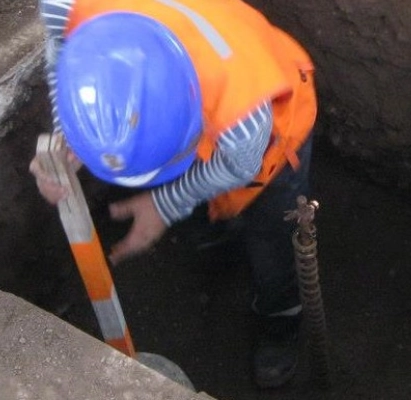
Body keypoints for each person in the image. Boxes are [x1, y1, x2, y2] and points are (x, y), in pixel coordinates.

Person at [29, 0, 317, 389]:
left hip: (277, 136)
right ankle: (220, 237)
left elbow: (240, 166)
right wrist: (75, 132)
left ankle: (280, 317)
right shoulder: (68, 5)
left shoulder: (243, 114)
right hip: (194, 124)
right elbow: (61, 49)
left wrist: (164, 203)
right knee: (209, 207)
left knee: (272, 237)